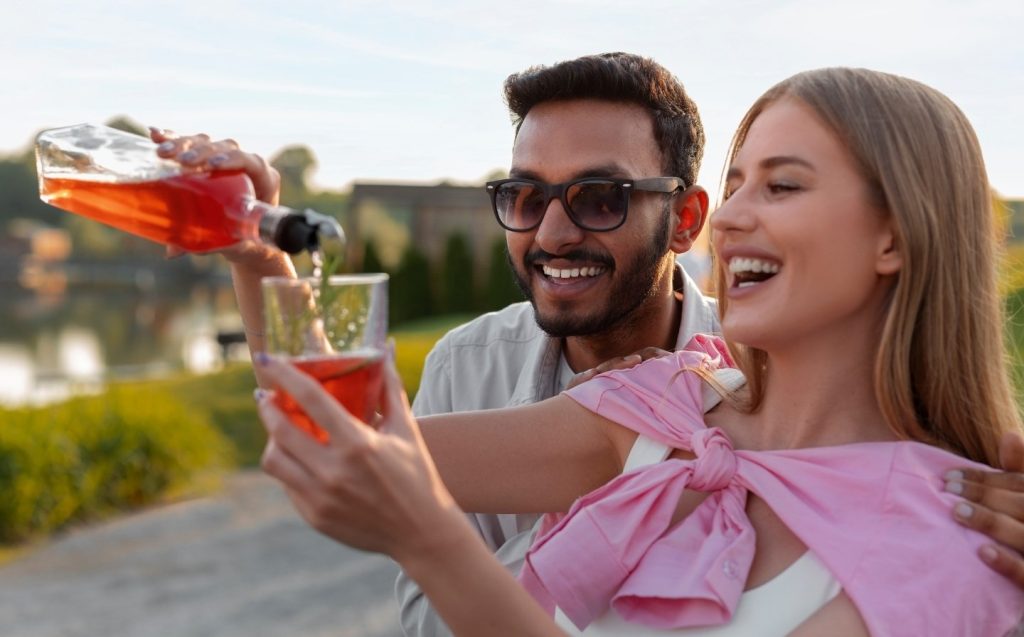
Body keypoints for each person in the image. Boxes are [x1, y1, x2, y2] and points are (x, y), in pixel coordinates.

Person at [254, 67, 1024, 634]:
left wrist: (427, 538)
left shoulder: (951, 547)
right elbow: (335, 431)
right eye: (737, 183)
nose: (731, 219)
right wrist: (254, 253)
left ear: (896, 233)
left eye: (781, 187)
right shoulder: (666, 400)